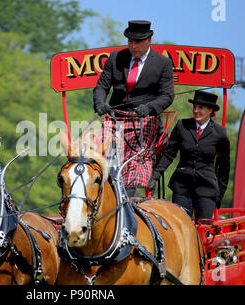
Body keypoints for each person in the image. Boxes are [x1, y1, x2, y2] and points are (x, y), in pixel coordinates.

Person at [93, 20, 175, 197]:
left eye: (138, 42)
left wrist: (150, 107)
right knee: (100, 153)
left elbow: (167, 96)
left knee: (132, 162)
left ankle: (128, 197)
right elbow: (101, 87)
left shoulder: (162, 63)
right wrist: (100, 103)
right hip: (115, 118)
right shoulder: (115, 58)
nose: (134, 45)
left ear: (149, 40)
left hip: (144, 120)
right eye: (130, 41)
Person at [148, 90, 230, 224]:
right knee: (180, 226)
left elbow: (224, 168)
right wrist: (155, 176)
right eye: (194, 107)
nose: (196, 111)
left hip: (206, 189)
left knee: (202, 230)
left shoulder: (220, 133)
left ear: (210, 110)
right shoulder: (182, 126)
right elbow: (169, 154)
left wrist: (219, 196)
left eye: (200, 108)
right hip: (182, 187)